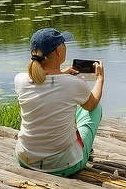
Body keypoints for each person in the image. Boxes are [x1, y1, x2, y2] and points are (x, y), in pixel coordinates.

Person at [13, 27, 104, 176]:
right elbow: (91, 104)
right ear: (58, 51)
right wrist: (100, 78)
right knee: (94, 108)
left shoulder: (20, 80)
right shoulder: (72, 84)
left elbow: (44, 84)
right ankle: (83, 149)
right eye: (64, 44)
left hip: (26, 159)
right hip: (63, 165)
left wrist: (61, 73)